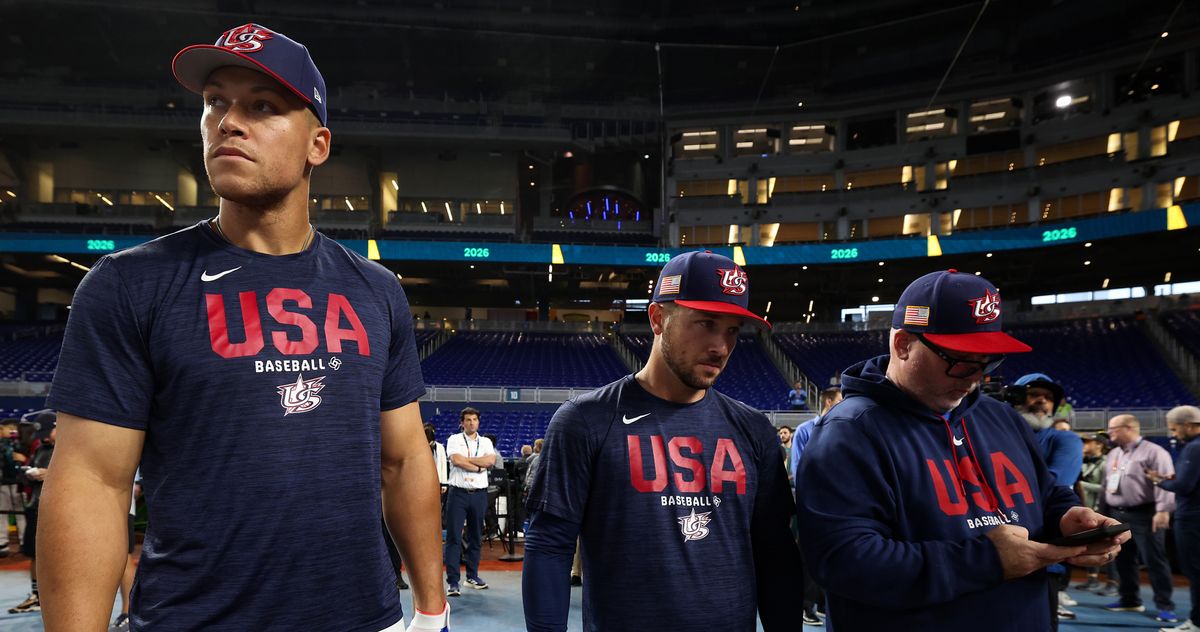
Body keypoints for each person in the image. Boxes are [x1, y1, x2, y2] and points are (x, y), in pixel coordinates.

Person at [36, 23, 448, 632]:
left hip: (365, 617)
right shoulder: (129, 285)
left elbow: (405, 458)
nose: (227, 121)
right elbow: (92, 483)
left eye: (262, 106)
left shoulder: (375, 290)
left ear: (318, 144)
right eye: (214, 102)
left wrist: (433, 608)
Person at [795, 269, 1126, 631]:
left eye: (987, 362)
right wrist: (986, 560)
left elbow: (1044, 494)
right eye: (961, 360)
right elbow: (843, 562)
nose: (975, 377)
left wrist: (1066, 517)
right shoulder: (850, 431)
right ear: (904, 344)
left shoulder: (1000, 415)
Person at [522, 250, 799, 631]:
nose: (721, 346)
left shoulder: (754, 430)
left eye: (733, 330)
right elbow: (549, 546)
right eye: (706, 323)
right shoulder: (585, 422)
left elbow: (775, 554)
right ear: (657, 319)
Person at [1011, 372, 1084, 624]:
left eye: (1048, 397)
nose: (1042, 401)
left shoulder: (1065, 439)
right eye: (1033, 395)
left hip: (1039, 554)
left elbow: (1051, 486)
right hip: (992, 551)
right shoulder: (991, 434)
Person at [1103, 413, 1178, 622]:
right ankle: (1130, 600)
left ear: (1129, 428)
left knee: (1155, 560)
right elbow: (1107, 483)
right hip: (1118, 514)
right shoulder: (1114, 453)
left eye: (1113, 429)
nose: (1109, 433)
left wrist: (1163, 510)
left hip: (1145, 514)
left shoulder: (1155, 452)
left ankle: (1165, 606)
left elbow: (1165, 482)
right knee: (1124, 560)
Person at [1147, 405, 1200, 632]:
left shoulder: (1194, 448)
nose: (1173, 434)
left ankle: (1197, 622)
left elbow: (1184, 487)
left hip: (1192, 518)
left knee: (1196, 571)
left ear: (1188, 425)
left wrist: (1159, 481)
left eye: (1175, 429)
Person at [444, 407, 496, 596]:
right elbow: (457, 461)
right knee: (454, 538)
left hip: (479, 494)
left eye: (474, 419)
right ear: (462, 422)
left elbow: (490, 461)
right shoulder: (454, 439)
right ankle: (453, 582)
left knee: (475, 537)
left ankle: (472, 576)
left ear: (478, 422)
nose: (471, 422)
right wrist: (477, 467)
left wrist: (469, 460)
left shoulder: (486, 442)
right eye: (468, 419)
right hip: (458, 493)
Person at [7, 412, 54, 614]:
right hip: (36, 506)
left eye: (47, 432)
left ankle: (54, 594)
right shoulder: (41, 449)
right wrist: (29, 472)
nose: (43, 437)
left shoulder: (69, 450)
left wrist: (50, 475)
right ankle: (37, 595)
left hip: (56, 510)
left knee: (57, 555)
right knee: (34, 553)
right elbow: (23, 477)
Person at [1074, 433, 1112, 593]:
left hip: (1100, 509)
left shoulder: (1106, 463)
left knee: (1108, 545)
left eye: (1089, 442)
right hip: (1086, 509)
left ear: (1099, 445)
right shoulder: (1082, 460)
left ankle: (1113, 582)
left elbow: (1107, 487)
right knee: (1089, 545)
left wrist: (1081, 484)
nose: (1085, 445)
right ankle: (1092, 579)